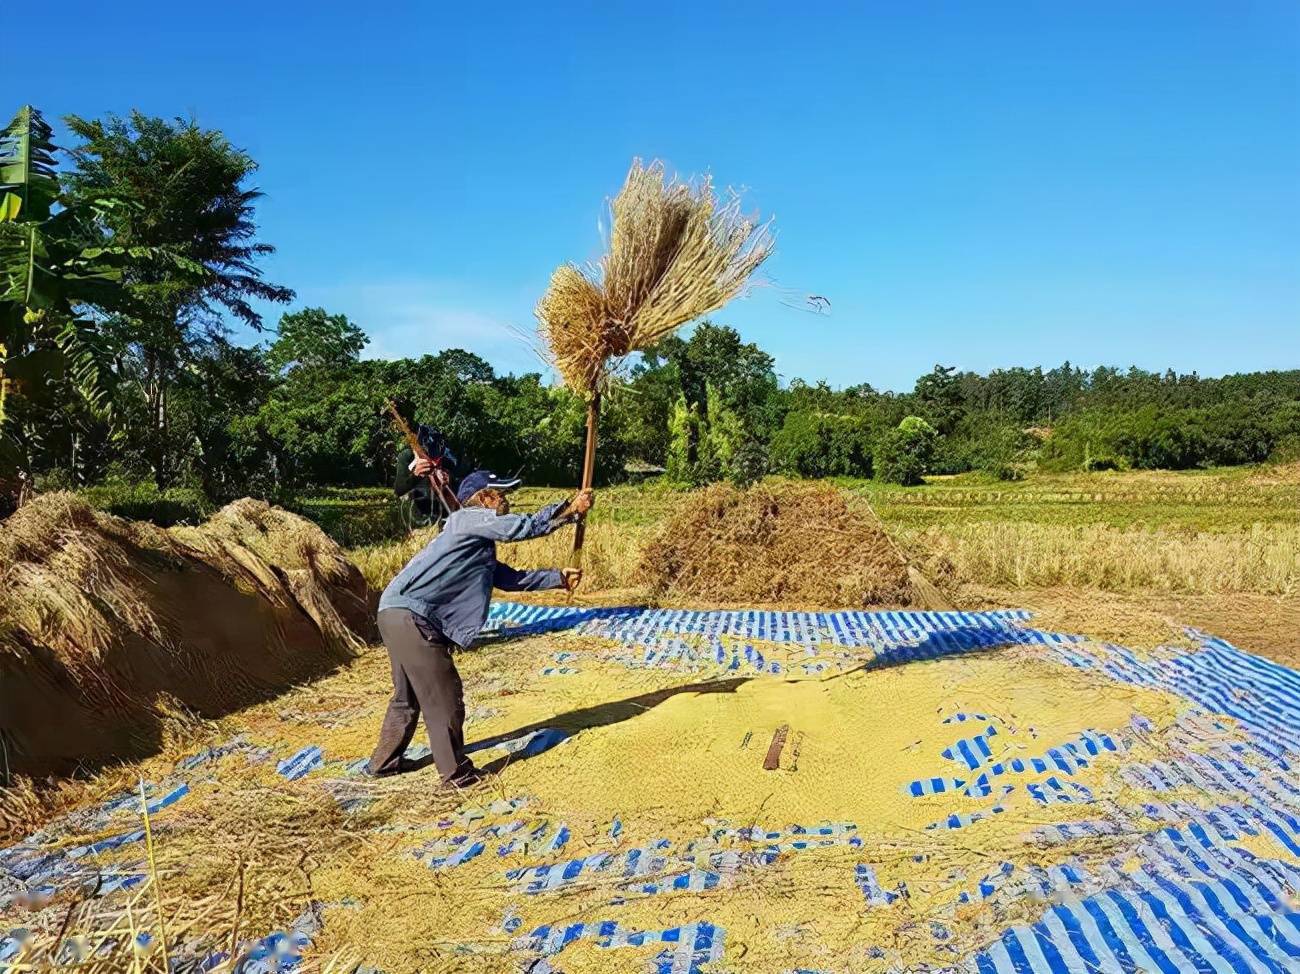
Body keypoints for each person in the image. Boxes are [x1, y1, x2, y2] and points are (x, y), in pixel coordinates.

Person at [367, 470, 594, 785]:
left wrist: (558, 578)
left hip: (395, 611)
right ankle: (456, 776)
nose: (507, 501)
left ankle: (383, 763)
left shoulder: (475, 542)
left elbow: (510, 579)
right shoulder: (467, 519)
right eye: (501, 494)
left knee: (407, 697)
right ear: (486, 498)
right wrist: (569, 510)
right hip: (412, 617)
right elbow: (521, 527)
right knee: (444, 695)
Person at [394, 424, 460, 529]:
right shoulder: (407, 456)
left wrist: (449, 479)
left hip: (445, 519)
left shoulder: (447, 460)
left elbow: (461, 485)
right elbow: (399, 489)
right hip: (419, 520)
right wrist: (416, 475)